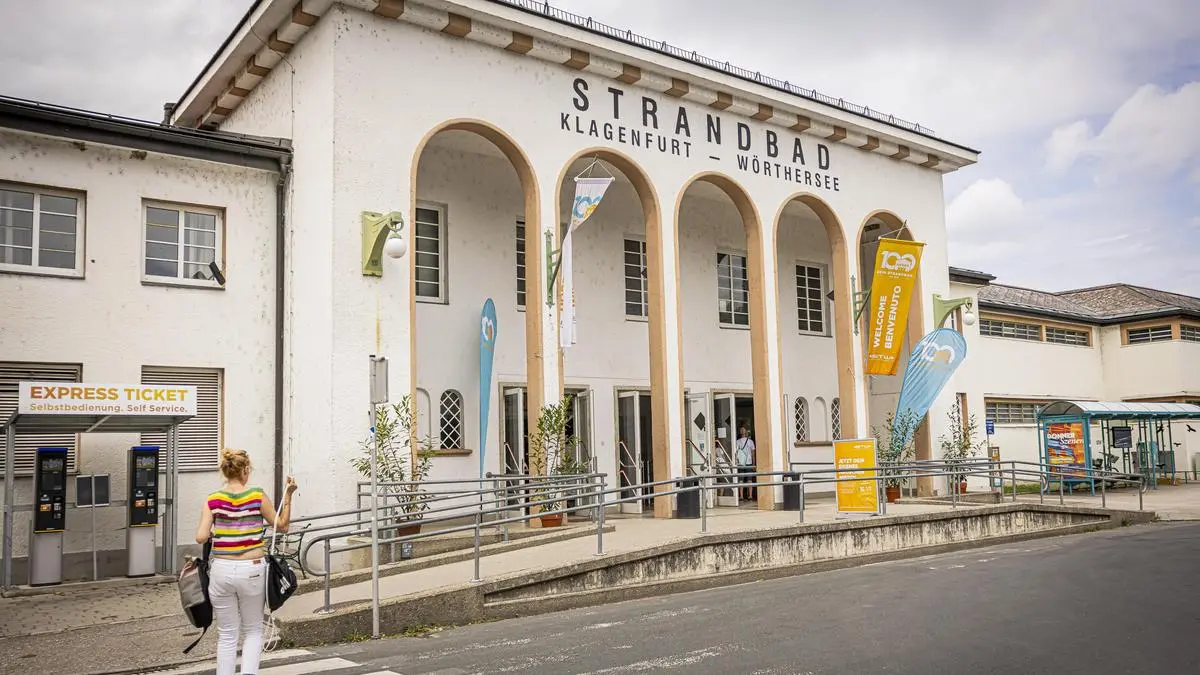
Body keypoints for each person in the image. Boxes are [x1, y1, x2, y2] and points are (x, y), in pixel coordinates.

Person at [196, 448, 298, 675]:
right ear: (244, 470)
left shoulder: (213, 500)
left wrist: (219, 531)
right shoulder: (257, 496)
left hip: (221, 570)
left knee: (227, 633)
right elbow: (281, 526)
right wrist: (288, 495)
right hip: (252, 571)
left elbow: (201, 537)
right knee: (252, 630)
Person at [735, 423, 756, 502]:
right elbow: (753, 453)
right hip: (749, 462)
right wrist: (754, 464)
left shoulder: (737, 441)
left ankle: (741, 496)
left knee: (741, 480)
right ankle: (750, 495)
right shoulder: (750, 442)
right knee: (749, 479)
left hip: (741, 463)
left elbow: (736, 453)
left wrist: (736, 461)